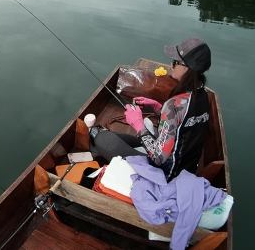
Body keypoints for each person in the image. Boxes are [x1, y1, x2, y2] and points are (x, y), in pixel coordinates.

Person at [90, 38, 213, 181]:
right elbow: (183, 124)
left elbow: (158, 158)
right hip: (186, 167)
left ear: (186, 68)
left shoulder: (173, 105)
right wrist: (159, 108)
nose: (171, 65)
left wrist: (138, 123)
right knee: (115, 137)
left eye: (175, 62)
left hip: (166, 174)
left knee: (102, 138)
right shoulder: (203, 95)